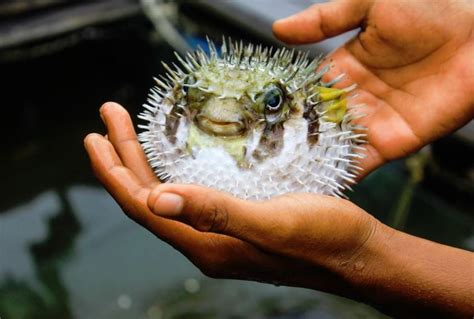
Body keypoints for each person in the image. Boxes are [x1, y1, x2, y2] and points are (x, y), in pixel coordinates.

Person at [84, 0, 474, 317]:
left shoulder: (325, 121)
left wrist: (362, 257)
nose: (221, 113)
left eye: (272, 104)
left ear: (312, 117)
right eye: (191, 95)